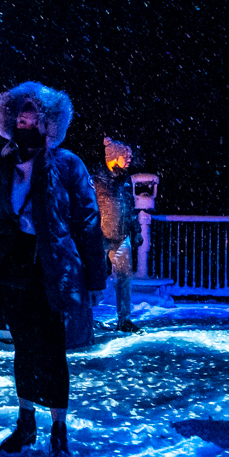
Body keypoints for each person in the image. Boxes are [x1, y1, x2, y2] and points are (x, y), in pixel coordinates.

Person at [0, 83, 106, 457]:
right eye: (22, 118)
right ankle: (26, 423)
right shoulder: (2, 164)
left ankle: (59, 433)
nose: (27, 124)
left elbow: (88, 223)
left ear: (50, 124)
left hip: (53, 268)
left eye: (35, 119)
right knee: (24, 347)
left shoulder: (67, 165)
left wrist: (95, 278)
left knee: (53, 350)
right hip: (12, 267)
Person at [94, 138, 142, 333]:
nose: (129, 159)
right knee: (93, 278)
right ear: (114, 157)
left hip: (122, 237)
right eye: (125, 156)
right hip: (100, 237)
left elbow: (129, 207)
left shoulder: (125, 180)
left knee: (124, 280)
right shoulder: (97, 179)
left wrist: (136, 231)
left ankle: (124, 319)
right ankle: (85, 318)